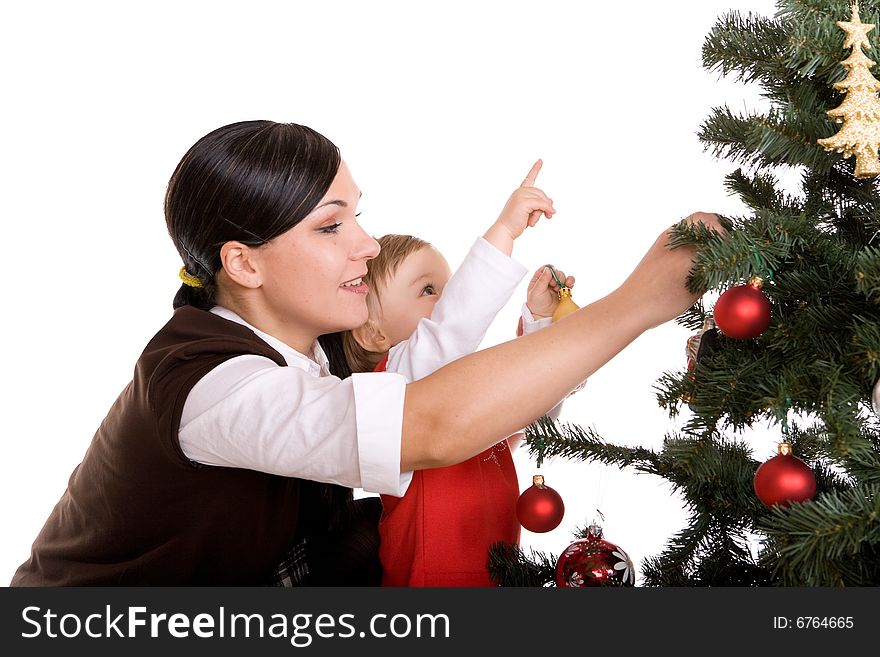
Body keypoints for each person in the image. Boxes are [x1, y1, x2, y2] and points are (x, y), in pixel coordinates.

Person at [11, 120, 723, 586]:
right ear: (245, 265)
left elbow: (448, 364)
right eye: (330, 226)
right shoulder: (210, 384)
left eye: (358, 212)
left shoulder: (318, 351)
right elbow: (433, 423)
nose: (369, 243)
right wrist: (638, 303)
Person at [341, 171, 580, 585]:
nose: (450, 299)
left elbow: (534, 409)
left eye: (452, 288)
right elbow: (450, 331)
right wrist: (503, 233)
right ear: (374, 332)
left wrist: (541, 322)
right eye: (429, 290)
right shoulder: (393, 384)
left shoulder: (462, 383)